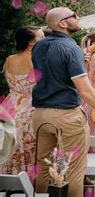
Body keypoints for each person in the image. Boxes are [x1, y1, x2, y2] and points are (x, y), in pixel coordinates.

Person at [31, 7, 95, 196]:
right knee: (75, 171)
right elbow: (86, 90)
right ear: (63, 23)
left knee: (42, 168)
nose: (79, 17)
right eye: (74, 16)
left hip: (40, 115)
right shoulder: (71, 48)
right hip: (66, 115)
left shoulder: (39, 47)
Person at [0, 26, 44, 175]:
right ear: (31, 43)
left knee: (11, 142)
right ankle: (31, 179)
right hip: (29, 107)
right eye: (41, 37)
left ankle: (10, 178)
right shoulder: (36, 59)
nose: (45, 40)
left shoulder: (9, 60)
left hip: (9, 107)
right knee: (30, 143)